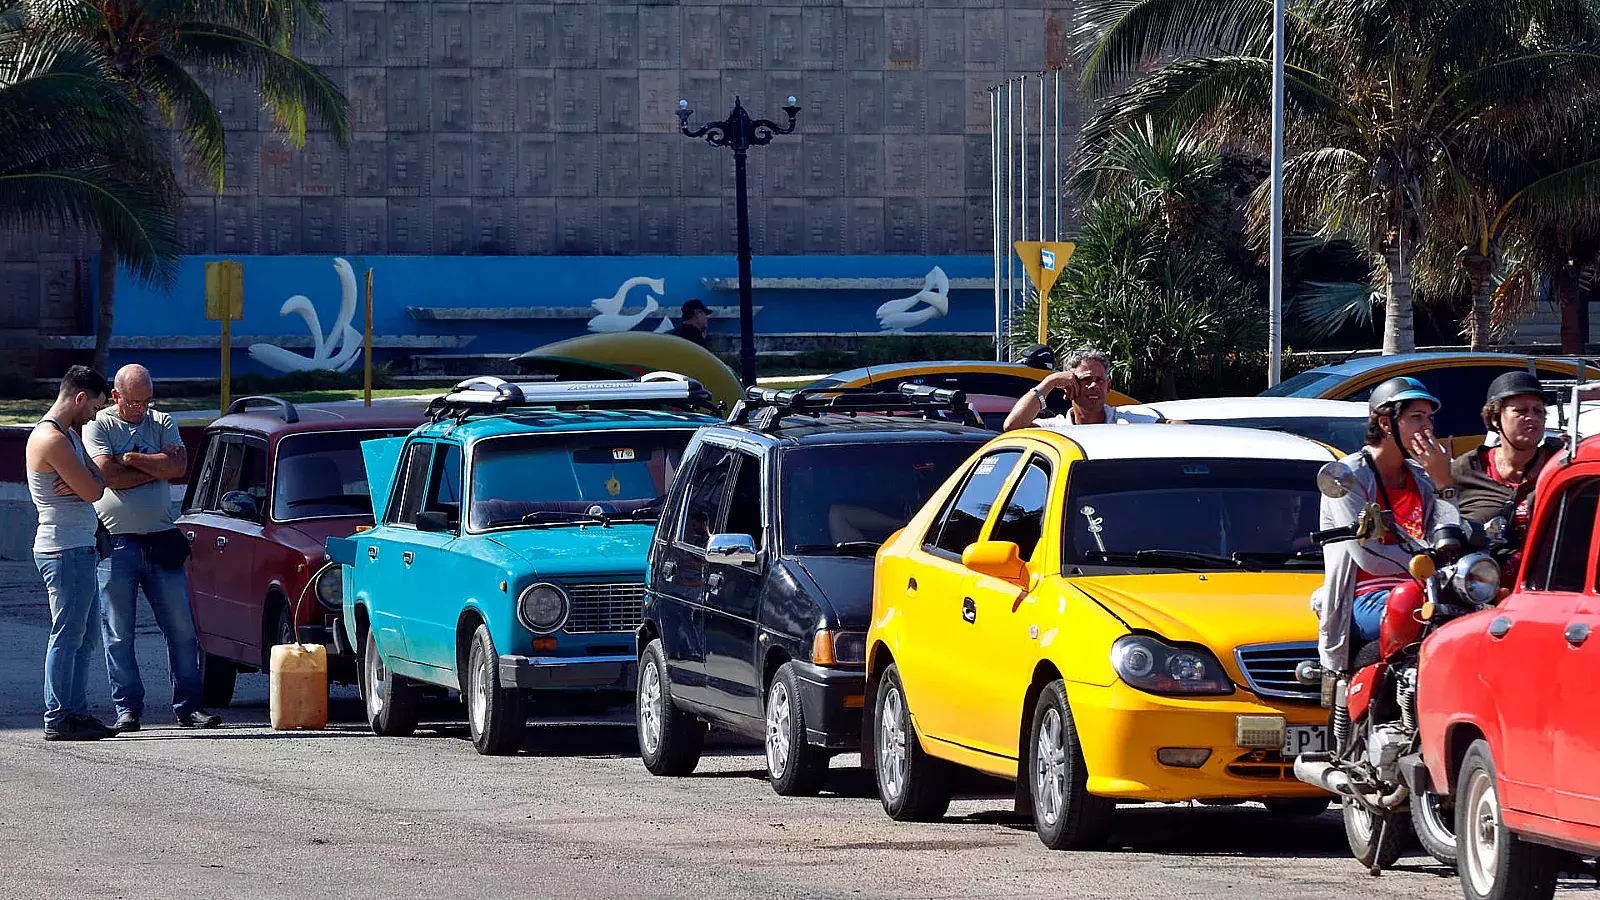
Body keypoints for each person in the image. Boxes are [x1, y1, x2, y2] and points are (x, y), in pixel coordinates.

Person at [84, 365, 221, 732]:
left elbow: (178, 466)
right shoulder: (99, 425)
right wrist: (154, 466)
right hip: (117, 544)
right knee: (118, 631)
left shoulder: (162, 421)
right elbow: (107, 477)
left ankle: (190, 706)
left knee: (182, 630)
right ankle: (127, 709)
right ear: (116, 397)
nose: (141, 409)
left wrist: (131, 459)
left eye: (146, 401)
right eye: (133, 403)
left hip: (162, 539)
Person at [1312, 377, 1460, 675]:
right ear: (1385, 423)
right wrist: (1431, 560)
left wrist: (1445, 485)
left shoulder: (1422, 477)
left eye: (1429, 418)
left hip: (1425, 589)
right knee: (1420, 614)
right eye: (1416, 418)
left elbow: (1448, 540)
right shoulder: (1348, 476)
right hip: (1366, 596)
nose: (1427, 428)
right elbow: (1369, 558)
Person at [26, 366, 114, 741]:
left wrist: (87, 478)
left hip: (80, 546)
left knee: (85, 635)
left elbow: (98, 479)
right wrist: (88, 480)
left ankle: (76, 711)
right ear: (80, 398)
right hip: (63, 549)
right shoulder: (52, 439)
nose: (96, 414)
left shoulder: (70, 436)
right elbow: (95, 492)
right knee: (67, 634)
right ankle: (59, 715)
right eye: (95, 405)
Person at [1001, 347, 1158, 431]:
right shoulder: (1057, 429)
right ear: (1068, 386)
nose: (1094, 386)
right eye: (1086, 380)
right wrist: (1049, 382)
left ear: (1108, 386)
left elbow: (1173, 426)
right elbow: (1013, 426)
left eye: (1100, 380)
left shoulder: (1126, 422)